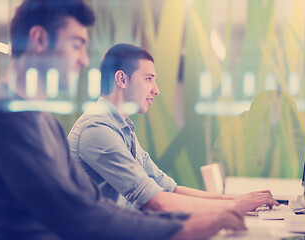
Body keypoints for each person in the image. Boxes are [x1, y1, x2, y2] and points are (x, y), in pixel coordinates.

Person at [0, 0, 247, 239]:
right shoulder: (3, 117)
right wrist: (184, 228)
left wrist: (194, 219)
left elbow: (95, 204)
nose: (84, 60)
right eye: (77, 45)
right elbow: (77, 215)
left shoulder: (43, 121)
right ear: (38, 39)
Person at [68, 43, 279, 214]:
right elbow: (155, 202)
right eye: (149, 79)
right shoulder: (97, 128)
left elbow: (169, 188)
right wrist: (233, 207)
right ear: (122, 79)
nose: (156, 90)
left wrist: (238, 200)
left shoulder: (122, 128)